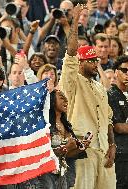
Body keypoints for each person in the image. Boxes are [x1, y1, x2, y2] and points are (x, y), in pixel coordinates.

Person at [59, 5, 116, 189]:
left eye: (95, 60)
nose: (94, 63)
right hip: (83, 149)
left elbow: (108, 118)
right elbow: (71, 52)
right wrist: (75, 22)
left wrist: (113, 145)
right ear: (80, 63)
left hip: (104, 150)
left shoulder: (100, 87)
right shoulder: (72, 80)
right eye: (90, 60)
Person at [107, 55, 128, 189]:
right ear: (116, 72)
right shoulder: (111, 94)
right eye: (124, 70)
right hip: (121, 153)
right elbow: (119, 127)